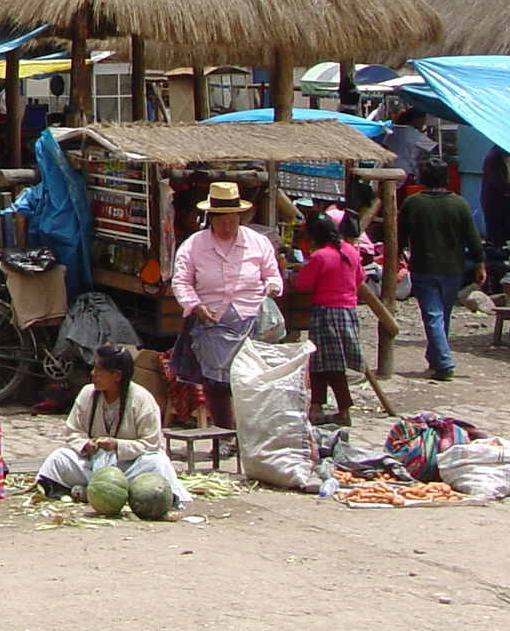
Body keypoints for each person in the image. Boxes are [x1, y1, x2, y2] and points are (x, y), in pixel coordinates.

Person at [169, 180, 282, 427]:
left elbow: (272, 275)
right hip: (211, 322)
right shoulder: (194, 245)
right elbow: (181, 282)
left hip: (251, 321)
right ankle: (224, 432)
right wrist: (196, 305)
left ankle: (247, 433)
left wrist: (273, 287)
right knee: (216, 383)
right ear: (211, 218)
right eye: (221, 221)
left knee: (249, 380)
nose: (227, 226)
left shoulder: (258, 242)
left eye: (232, 221)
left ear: (240, 217)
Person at [33, 344, 187, 508]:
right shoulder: (87, 393)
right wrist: (85, 444)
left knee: (158, 463)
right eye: (94, 368)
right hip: (93, 464)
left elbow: (151, 443)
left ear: (117, 375)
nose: (93, 374)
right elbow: (74, 431)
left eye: (100, 370)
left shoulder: (142, 399)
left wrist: (117, 445)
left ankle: (108, 492)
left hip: (129, 465)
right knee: (59, 458)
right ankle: (99, 491)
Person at [399, 155, 485, 381]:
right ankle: (437, 358)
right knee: (441, 316)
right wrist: (480, 262)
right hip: (452, 270)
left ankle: (444, 363)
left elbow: (399, 235)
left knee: (433, 315)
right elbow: (473, 238)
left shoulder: (413, 203)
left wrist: (396, 256)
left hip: (424, 267)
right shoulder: (460, 204)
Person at [292, 211, 365, 426]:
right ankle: (317, 407)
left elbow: (302, 284)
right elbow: (360, 277)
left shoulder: (320, 256)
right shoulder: (350, 250)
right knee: (327, 363)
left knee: (327, 364)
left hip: (326, 312)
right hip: (347, 311)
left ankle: (342, 411)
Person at [480, 145, 508, 296]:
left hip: (506, 206)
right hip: (496, 208)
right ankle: (496, 284)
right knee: (496, 247)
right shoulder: (494, 158)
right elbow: (500, 184)